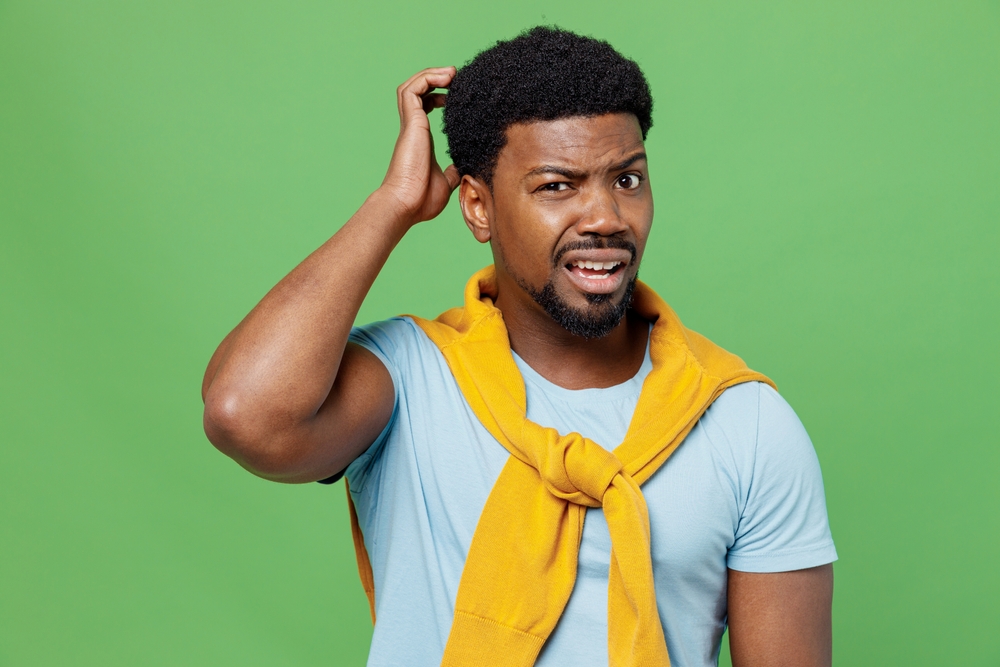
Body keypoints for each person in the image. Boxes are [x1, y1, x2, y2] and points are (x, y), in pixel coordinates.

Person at [202, 27, 836, 667]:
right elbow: (244, 413)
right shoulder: (413, 379)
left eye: (627, 180)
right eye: (557, 186)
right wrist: (392, 205)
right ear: (477, 207)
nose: (606, 217)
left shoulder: (744, 422)